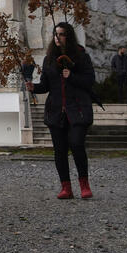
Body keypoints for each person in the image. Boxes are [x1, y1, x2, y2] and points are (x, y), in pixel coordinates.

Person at [26, 22, 95, 200]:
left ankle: (84, 184)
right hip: (56, 110)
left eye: (62, 34)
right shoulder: (49, 59)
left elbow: (89, 81)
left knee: (77, 143)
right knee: (60, 150)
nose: (58, 37)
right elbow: (46, 86)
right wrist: (33, 87)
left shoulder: (80, 56)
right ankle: (66, 187)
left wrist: (72, 76)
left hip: (78, 108)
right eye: (56, 34)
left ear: (69, 36)